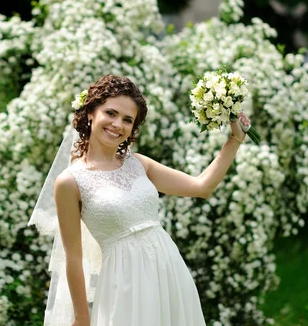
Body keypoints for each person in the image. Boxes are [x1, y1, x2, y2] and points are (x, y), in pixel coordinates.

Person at [30, 74, 250, 326]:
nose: (117, 124)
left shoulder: (139, 164)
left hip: (168, 270)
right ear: (91, 112)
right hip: (123, 283)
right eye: (110, 113)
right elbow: (73, 257)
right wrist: (82, 317)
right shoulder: (70, 182)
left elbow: (202, 187)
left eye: (127, 120)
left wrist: (235, 140)